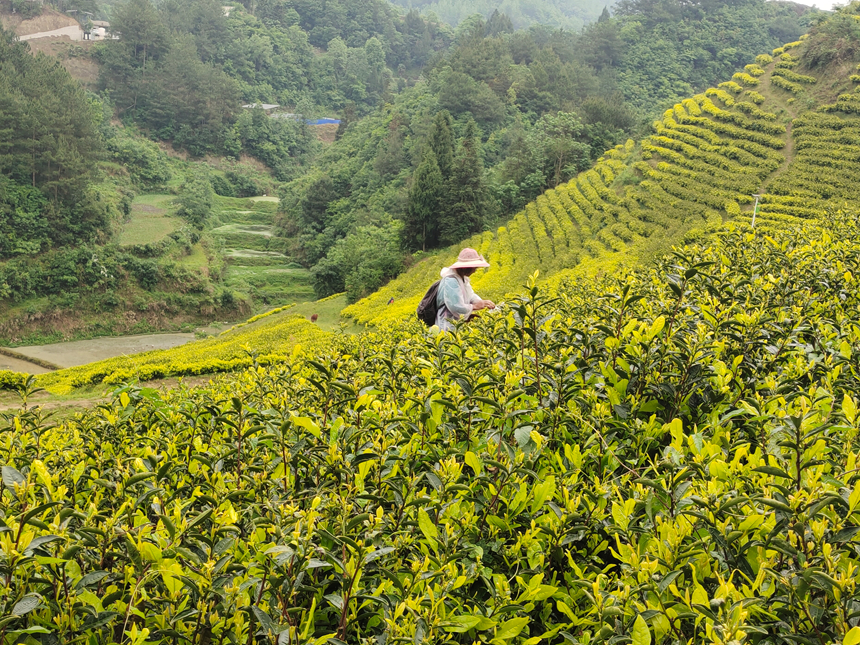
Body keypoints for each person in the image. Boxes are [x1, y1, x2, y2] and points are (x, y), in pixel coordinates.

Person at [436, 248, 495, 331]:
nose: (474, 271)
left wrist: (483, 302)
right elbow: (455, 306)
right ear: (466, 267)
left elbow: (470, 295)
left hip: (456, 323)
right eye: (474, 268)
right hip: (446, 324)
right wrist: (474, 306)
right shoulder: (451, 280)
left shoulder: (462, 278)